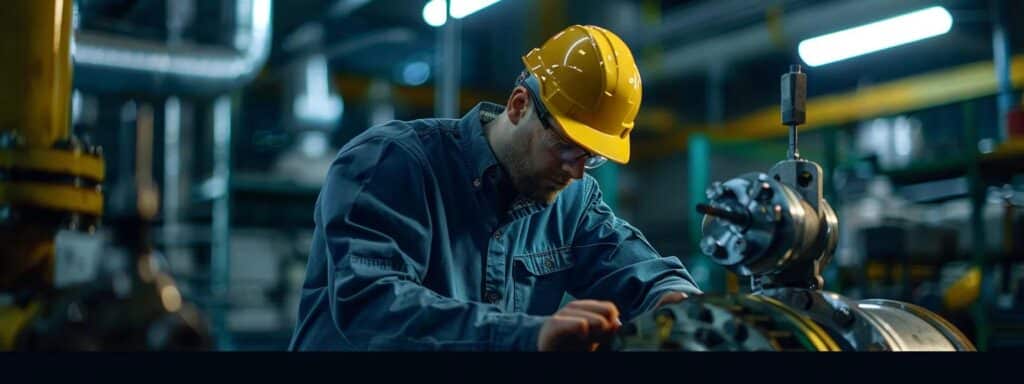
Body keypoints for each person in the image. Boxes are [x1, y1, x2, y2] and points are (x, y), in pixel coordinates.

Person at [288, 25, 701, 351]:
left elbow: (637, 270)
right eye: (565, 148)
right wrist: (528, 337)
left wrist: (686, 309)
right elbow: (372, 309)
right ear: (520, 105)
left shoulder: (571, 201)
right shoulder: (391, 163)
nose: (576, 172)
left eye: (592, 158)